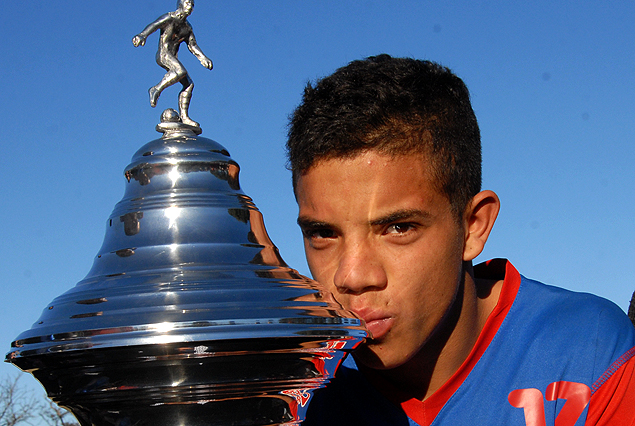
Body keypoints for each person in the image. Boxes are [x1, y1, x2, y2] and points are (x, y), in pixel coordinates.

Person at [286, 54, 635, 425]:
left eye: (398, 228)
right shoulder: (298, 386)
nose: (351, 277)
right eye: (323, 234)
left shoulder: (587, 353)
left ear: (473, 226)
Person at [132, 0, 213, 128]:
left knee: (189, 84)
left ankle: (184, 116)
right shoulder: (170, 18)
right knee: (180, 71)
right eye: (187, 3)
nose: (190, 6)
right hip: (163, 55)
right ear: (180, 4)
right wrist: (142, 35)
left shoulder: (187, 28)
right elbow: (154, 25)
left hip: (173, 57)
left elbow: (192, 45)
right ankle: (156, 89)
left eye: (192, 4)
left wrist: (203, 58)